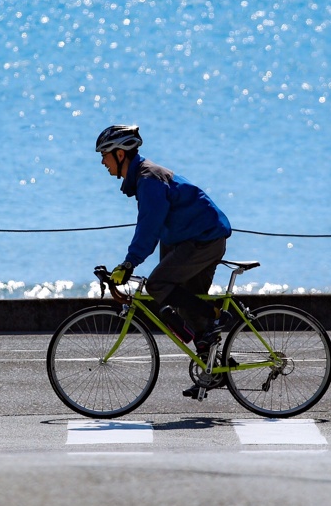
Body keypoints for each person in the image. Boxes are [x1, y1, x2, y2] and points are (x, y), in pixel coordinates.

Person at [96, 124, 232, 397]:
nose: (102, 161)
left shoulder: (149, 180)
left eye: (105, 155)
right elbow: (154, 229)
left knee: (158, 284)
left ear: (120, 154)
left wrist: (129, 263)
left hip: (203, 239)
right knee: (186, 304)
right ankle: (215, 369)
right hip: (187, 238)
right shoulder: (144, 178)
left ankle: (217, 315)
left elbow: (149, 228)